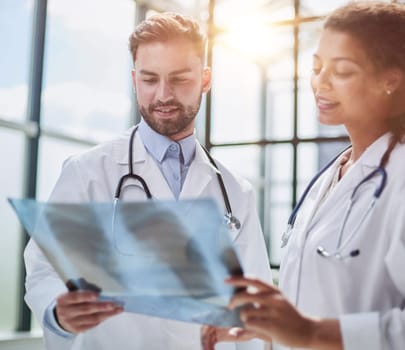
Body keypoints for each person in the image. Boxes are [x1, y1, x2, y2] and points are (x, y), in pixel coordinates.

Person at [213, 2, 405, 349]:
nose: (321, 82)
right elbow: (328, 301)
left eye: (342, 71)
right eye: (317, 67)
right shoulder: (332, 178)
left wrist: (311, 333)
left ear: (389, 81)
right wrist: (274, 326)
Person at [24, 12, 272, 350]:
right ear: (134, 78)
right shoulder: (88, 172)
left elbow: (251, 310)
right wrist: (59, 314)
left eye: (179, 79)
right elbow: (43, 268)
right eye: (150, 79)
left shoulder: (235, 193)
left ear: (205, 79)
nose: (163, 96)